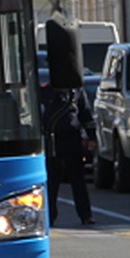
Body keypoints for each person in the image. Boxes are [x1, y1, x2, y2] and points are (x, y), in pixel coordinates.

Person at [42, 82, 96, 227]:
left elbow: (85, 113)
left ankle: (86, 215)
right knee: (52, 181)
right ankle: (50, 216)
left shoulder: (76, 91)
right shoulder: (45, 90)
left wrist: (91, 137)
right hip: (52, 139)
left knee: (78, 179)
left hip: (72, 137)